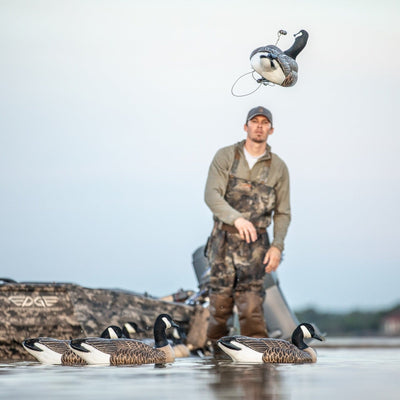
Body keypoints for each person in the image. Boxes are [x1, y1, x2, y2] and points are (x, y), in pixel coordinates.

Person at [204, 106, 291, 344]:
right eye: (255, 121)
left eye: (265, 122)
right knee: (219, 310)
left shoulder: (278, 168)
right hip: (223, 242)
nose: (259, 126)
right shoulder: (225, 156)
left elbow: (283, 212)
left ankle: (257, 370)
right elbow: (211, 195)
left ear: (271, 130)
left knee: (251, 309)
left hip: (256, 247)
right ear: (246, 127)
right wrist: (237, 219)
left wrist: (277, 246)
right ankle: (216, 364)